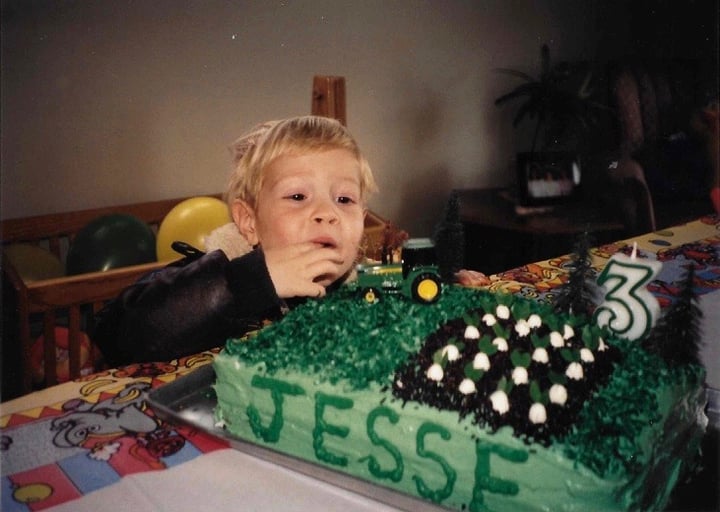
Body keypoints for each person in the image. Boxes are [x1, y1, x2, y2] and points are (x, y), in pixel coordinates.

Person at [93, 116, 378, 366]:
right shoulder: (220, 270)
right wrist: (249, 282)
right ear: (249, 222)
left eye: (344, 199)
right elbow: (115, 333)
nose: (327, 213)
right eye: (297, 197)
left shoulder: (372, 286)